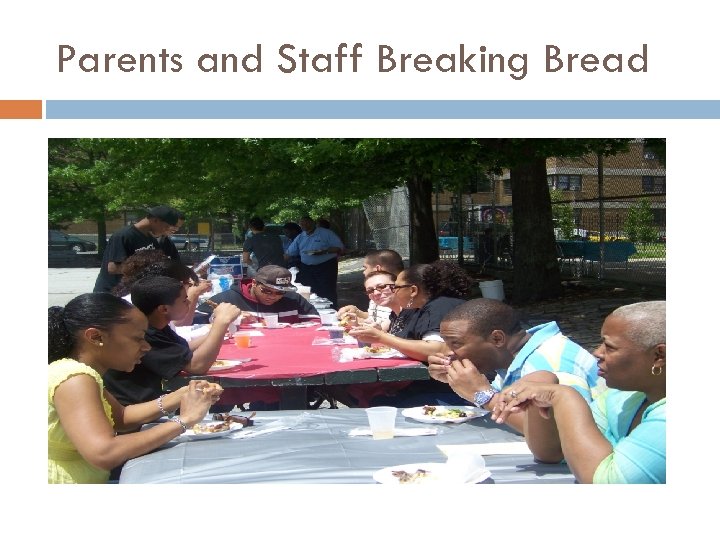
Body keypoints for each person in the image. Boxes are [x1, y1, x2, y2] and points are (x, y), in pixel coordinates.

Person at [48, 292, 222, 483]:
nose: (146, 347)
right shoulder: (75, 379)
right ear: (96, 337)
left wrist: (180, 395)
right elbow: (104, 453)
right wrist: (185, 420)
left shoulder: (81, 373)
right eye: (138, 338)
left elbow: (121, 417)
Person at [491, 301, 665, 484]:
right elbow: (553, 452)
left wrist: (563, 396)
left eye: (610, 347)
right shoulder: (623, 398)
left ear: (659, 356)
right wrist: (542, 380)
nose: (597, 352)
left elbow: (605, 483)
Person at [427, 298, 604, 434]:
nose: (449, 352)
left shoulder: (550, 362)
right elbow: (504, 404)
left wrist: (482, 395)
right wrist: (459, 383)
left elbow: (560, 433)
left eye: (456, 343)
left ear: (497, 338)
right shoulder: (512, 358)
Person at [103, 275, 241, 405]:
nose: (188, 302)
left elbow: (183, 348)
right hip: (135, 407)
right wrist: (220, 323)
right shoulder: (146, 334)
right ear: (163, 309)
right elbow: (197, 367)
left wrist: (219, 331)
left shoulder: (157, 324)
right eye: (184, 300)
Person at [93, 205, 180, 293]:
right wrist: (145, 268)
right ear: (155, 220)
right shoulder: (123, 236)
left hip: (130, 292)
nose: (167, 230)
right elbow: (113, 268)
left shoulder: (151, 238)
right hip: (111, 293)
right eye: (166, 226)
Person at [195, 264, 318, 324]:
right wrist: (225, 319)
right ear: (254, 283)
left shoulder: (294, 300)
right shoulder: (228, 299)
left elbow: (316, 323)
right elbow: (196, 324)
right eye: (266, 290)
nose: (272, 296)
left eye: (280, 292)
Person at [113, 255, 212, 327]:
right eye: (188, 284)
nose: (189, 287)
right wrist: (193, 294)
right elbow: (181, 324)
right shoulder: (137, 308)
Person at [285, 216, 344, 308]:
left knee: (327, 291)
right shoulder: (300, 237)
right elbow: (289, 253)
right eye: (302, 223)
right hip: (307, 268)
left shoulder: (326, 233)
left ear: (312, 222)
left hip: (326, 266)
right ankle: (312, 312)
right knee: (309, 291)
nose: (304, 225)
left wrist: (324, 251)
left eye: (306, 222)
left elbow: (339, 248)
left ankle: (332, 311)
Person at [338, 249, 404, 325]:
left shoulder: (392, 294)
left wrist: (359, 323)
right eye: (370, 291)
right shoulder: (375, 291)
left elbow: (388, 326)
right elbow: (375, 317)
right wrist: (357, 311)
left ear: (377, 269)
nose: (363, 272)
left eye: (365, 268)